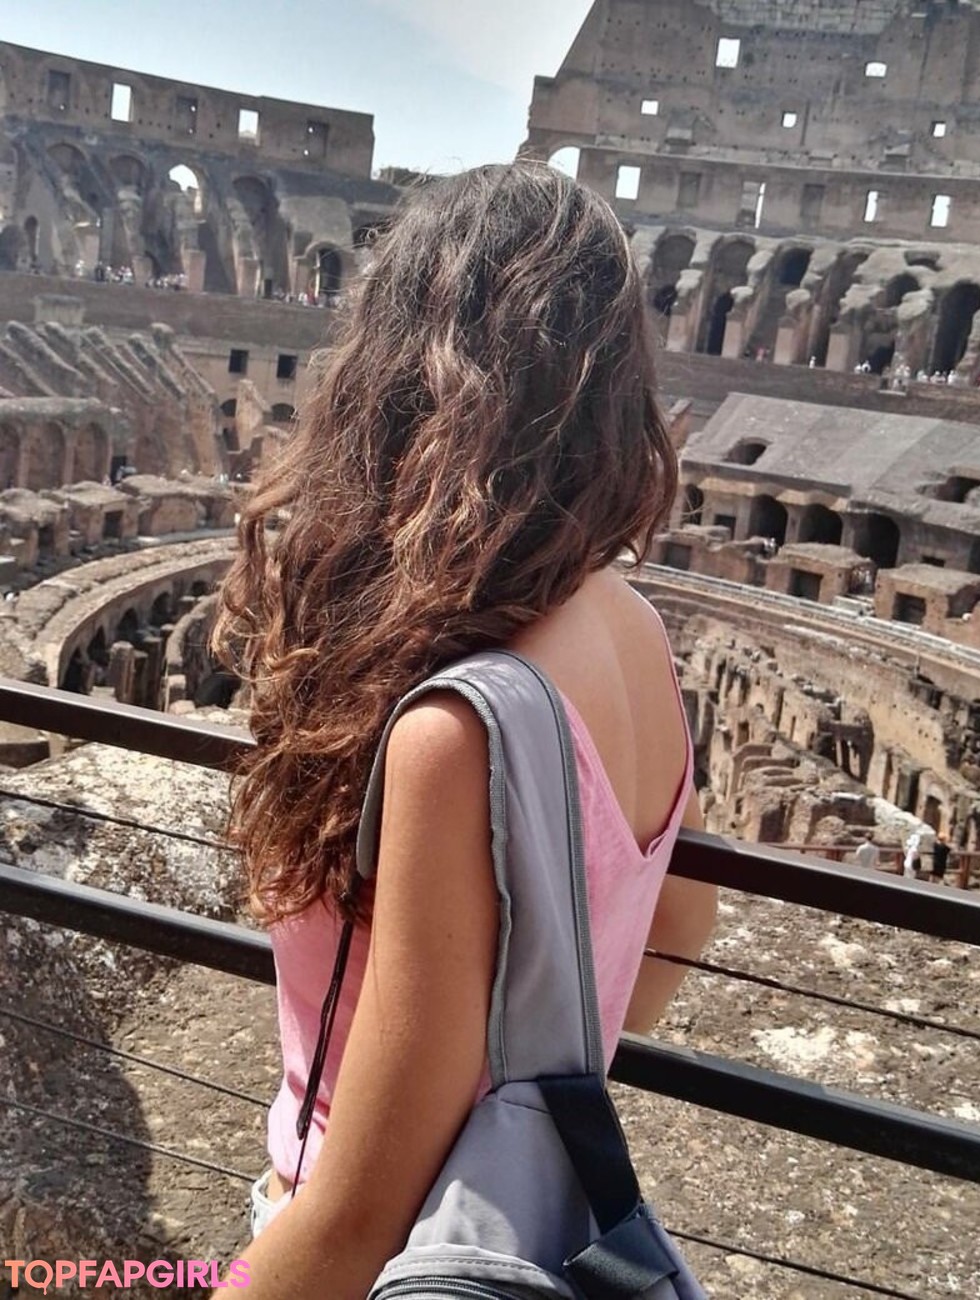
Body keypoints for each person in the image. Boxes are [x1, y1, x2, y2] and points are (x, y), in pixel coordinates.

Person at [211, 163, 718, 1300]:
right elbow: (685, 916)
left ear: (401, 371)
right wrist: (526, 1084)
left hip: (403, 1259)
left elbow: (356, 1219)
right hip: (516, 1217)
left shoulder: (456, 727)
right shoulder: (636, 630)